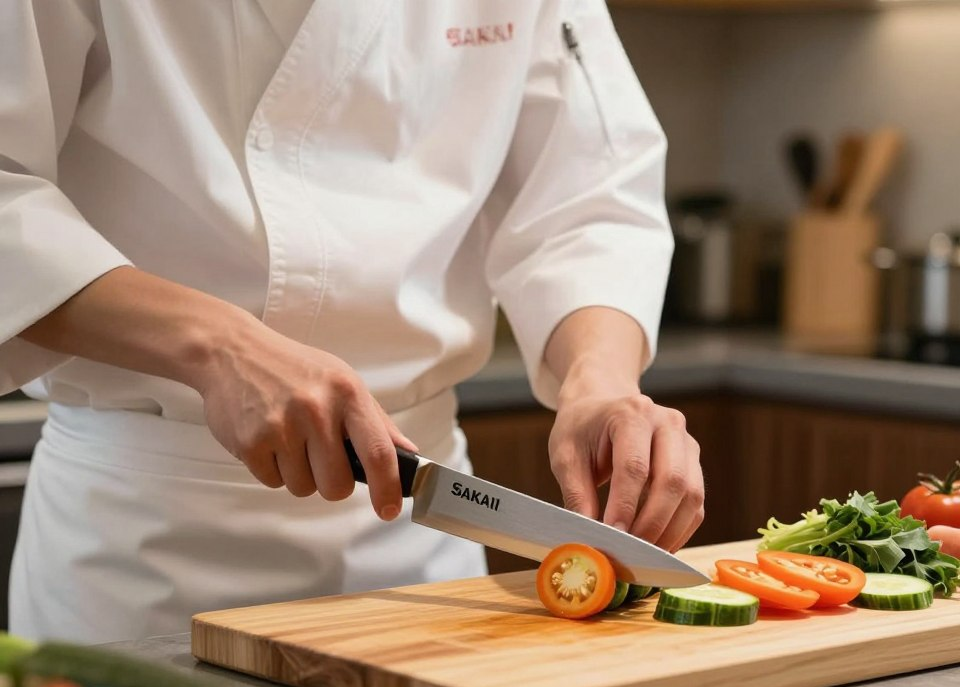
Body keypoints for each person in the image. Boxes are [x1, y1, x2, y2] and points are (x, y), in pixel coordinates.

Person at [0, 1, 705, 643]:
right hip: (144, 555)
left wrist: (599, 381)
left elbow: (590, 200)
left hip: (417, 548)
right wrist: (218, 347)